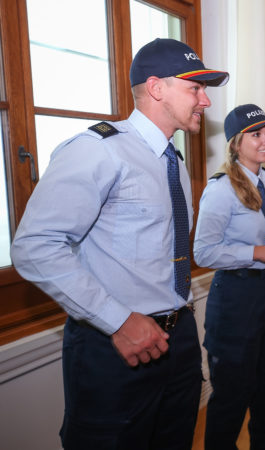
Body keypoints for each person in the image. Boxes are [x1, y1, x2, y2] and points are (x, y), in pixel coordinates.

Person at [10, 38, 228, 449]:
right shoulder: (99, 150)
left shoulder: (174, 162)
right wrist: (119, 321)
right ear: (157, 87)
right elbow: (35, 245)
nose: (206, 101)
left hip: (177, 338)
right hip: (113, 346)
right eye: (195, 88)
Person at [193, 104, 265, 449]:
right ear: (236, 143)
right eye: (256, 134)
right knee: (232, 396)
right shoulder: (221, 189)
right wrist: (256, 253)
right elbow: (203, 252)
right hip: (236, 300)